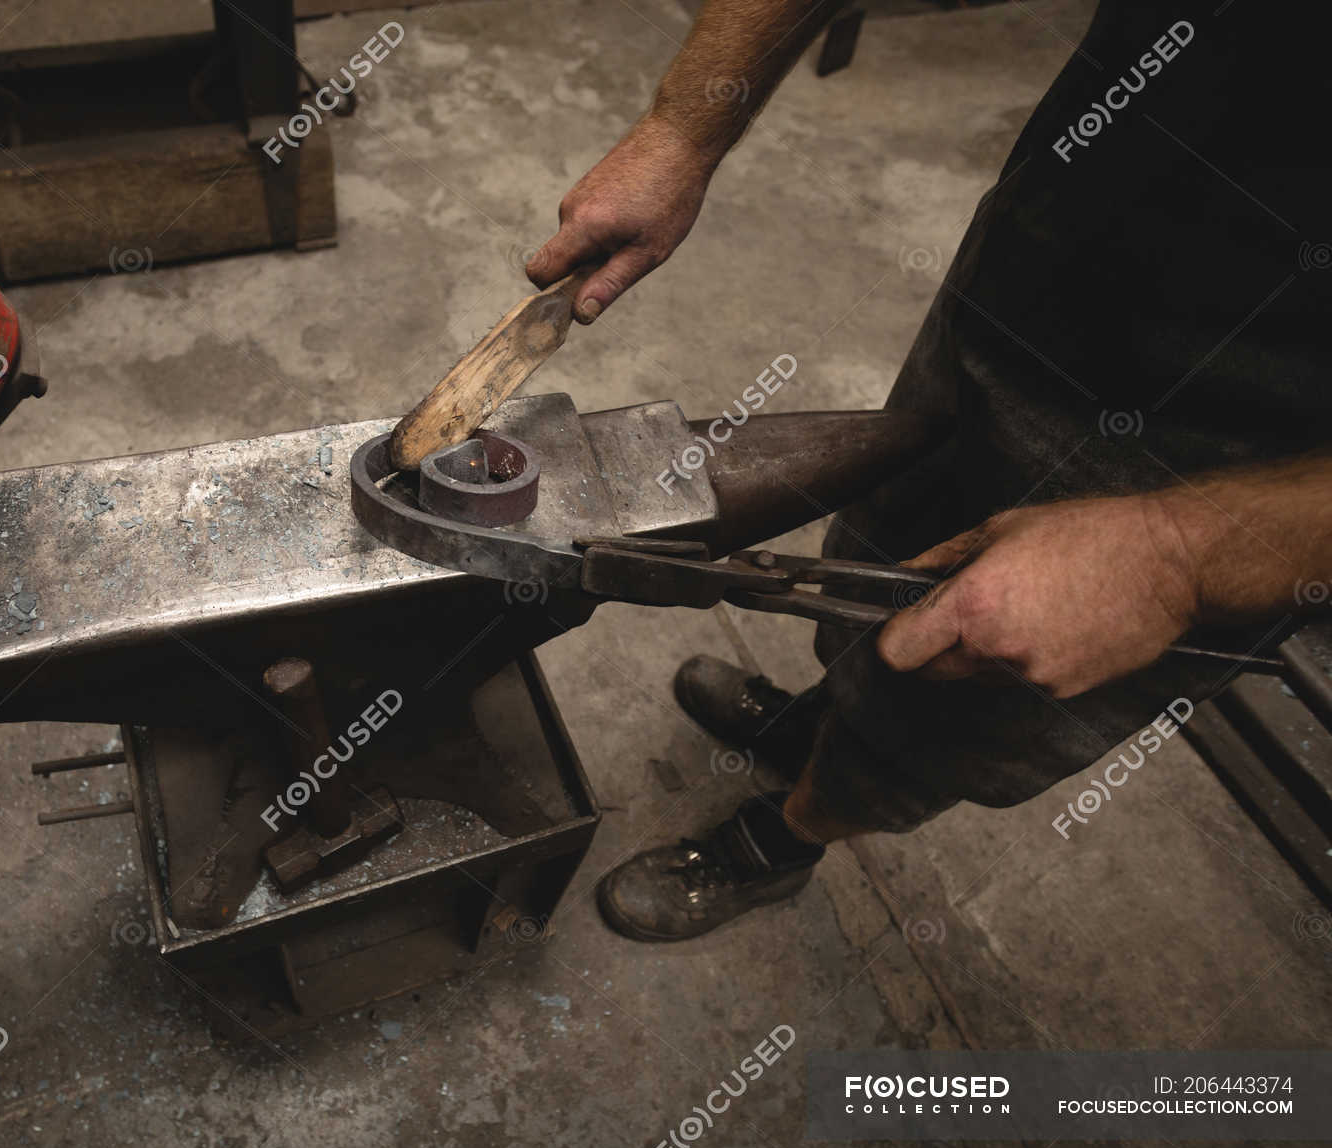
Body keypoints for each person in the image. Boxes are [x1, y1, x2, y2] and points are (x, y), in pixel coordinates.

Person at [525, 0, 1332, 941]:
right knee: (882, 551)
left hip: (1245, 456)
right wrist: (682, 126)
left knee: (973, 698)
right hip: (1040, 270)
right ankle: (819, 724)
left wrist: (1172, 558)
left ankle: (789, 838)